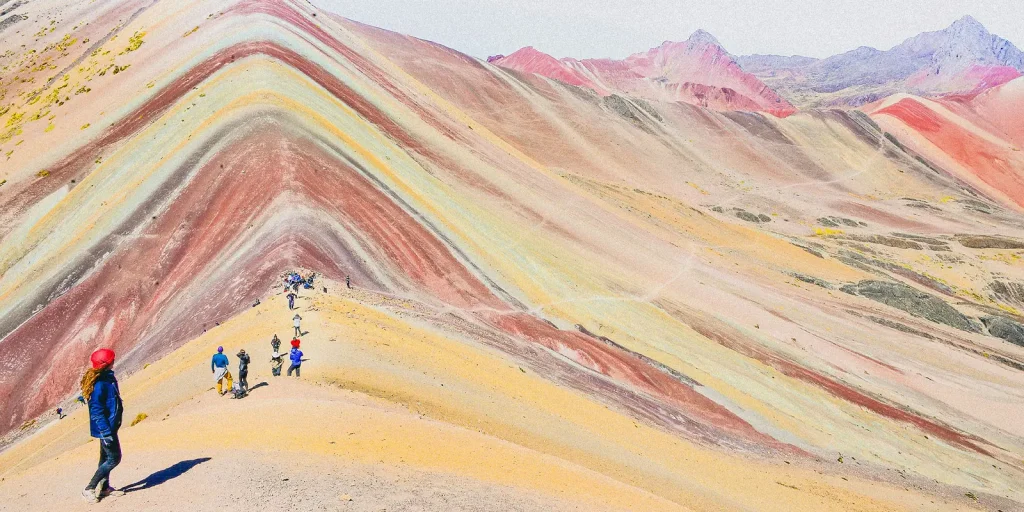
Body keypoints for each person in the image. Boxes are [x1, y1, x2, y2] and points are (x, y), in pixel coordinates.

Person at [81, 348, 126, 503]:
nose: (114, 361)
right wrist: (106, 432)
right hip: (106, 428)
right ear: (106, 364)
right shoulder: (99, 385)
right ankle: (90, 488)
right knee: (114, 458)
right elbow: (97, 412)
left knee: (105, 458)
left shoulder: (106, 377)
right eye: (111, 360)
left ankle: (105, 488)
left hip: (110, 425)